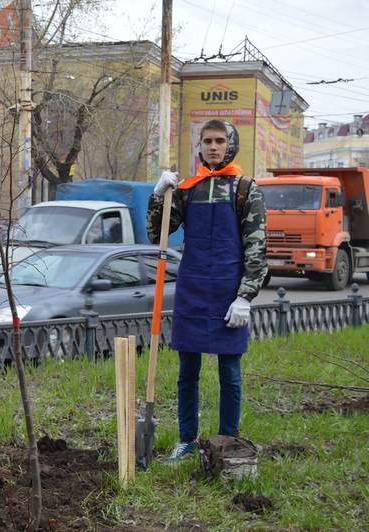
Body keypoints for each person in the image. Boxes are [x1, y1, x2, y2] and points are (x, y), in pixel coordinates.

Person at [145, 119, 267, 463]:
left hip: (230, 291)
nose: (213, 147)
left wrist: (246, 295)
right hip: (194, 287)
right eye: (207, 141)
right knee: (188, 371)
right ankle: (186, 439)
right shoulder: (187, 189)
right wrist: (157, 196)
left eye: (219, 140)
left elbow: (257, 247)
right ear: (199, 145)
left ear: (231, 144)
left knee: (229, 371)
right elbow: (159, 234)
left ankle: (228, 440)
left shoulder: (245, 189)